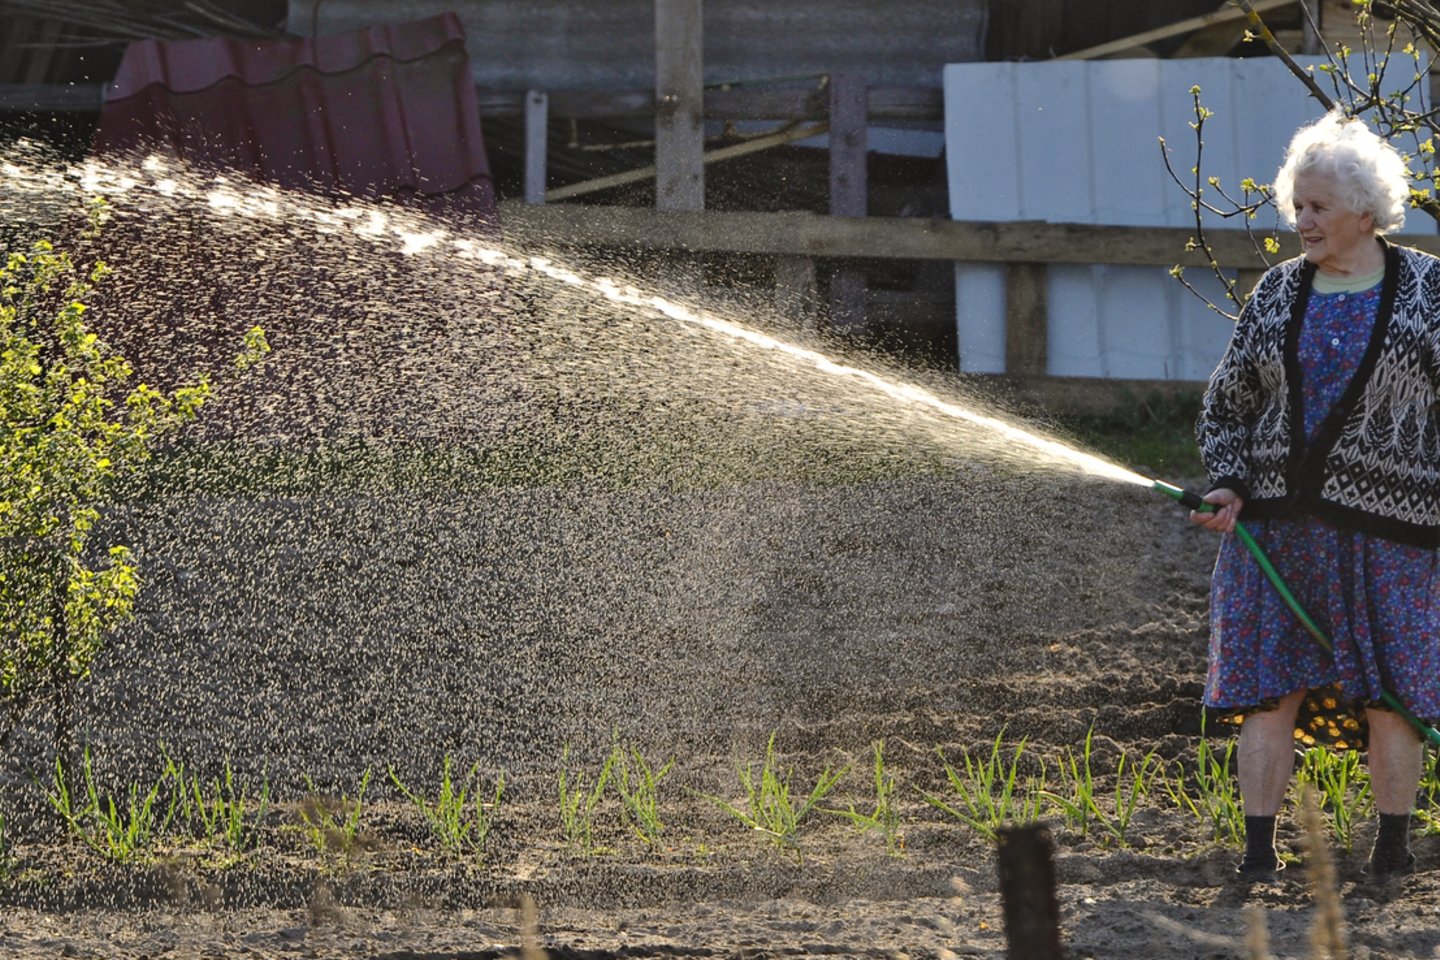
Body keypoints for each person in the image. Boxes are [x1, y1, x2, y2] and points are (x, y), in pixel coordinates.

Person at [1193, 108, 1440, 881]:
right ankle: (1257, 857)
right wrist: (1230, 481)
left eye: (1318, 207)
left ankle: (1392, 851)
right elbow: (1226, 402)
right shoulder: (1275, 293)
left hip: (1393, 534)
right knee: (1270, 697)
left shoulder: (1429, 291)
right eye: (1296, 205)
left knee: (1392, 698)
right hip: (1273, 534)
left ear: (1366, 212)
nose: (1302, 221)